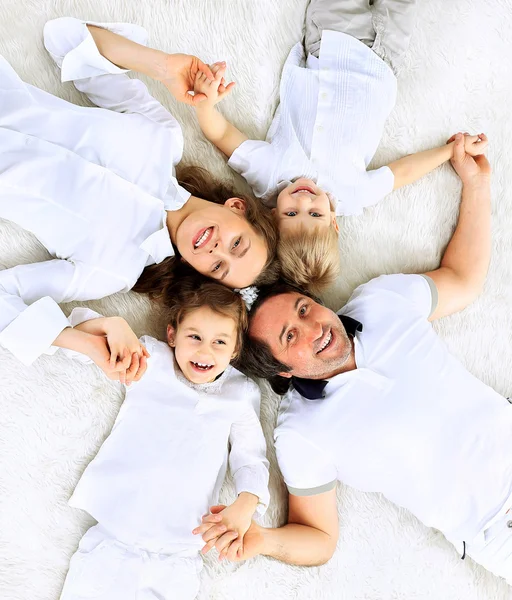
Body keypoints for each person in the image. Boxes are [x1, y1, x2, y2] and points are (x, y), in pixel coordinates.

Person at [195, 135, 512, 583]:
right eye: (291, 335)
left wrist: (477, 185)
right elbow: (319, 538)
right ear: (282, 370)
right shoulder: (301, 432)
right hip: (495, 533)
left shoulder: (380, 301)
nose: (314, 327)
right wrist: (264, 541)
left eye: (304, 310)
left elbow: (462, 278)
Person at [0, 17, 278, 382]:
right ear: (237, 207)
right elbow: (65, 40)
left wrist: (85, 341)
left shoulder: (113, 268)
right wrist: (163, 66)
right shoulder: (163, 138)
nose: (215, 251)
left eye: (218, 268)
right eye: (236, 244)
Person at [192, 0, 487, 293]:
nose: (304, 201)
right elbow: (402, 172)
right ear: (334, 222)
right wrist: (450, 151)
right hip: (384, 61)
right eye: (315, 214)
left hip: (332, 43)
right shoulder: (351, 195)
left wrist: (206, 105)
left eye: (291, 214)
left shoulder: (270, 177)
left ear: (272, 215)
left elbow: (223, 137)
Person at [57, 273, 269, 600]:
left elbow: (250, 456)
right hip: (116, 536)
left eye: (220, 342)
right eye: (194, 337)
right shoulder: (152, 361)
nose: (205, 352)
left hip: (179, 554)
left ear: (235, 349)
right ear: (172, 335)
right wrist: (110, 324)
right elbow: (84, 342)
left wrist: (246, 502)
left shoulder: (240, 394)